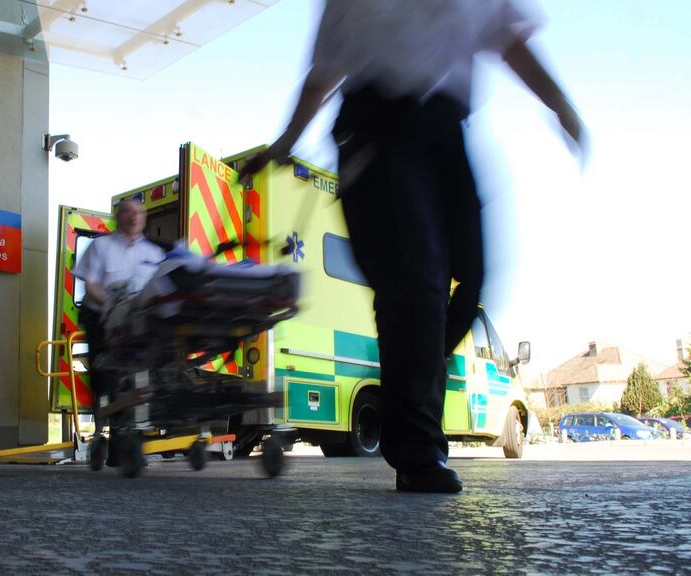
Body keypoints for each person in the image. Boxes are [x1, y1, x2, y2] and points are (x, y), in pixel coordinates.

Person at [239, 0, 585, 492]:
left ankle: (411, 367)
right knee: (415, 285)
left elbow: (510, 41)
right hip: (375, 130)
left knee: (473, 277)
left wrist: (559, 104)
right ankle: (417, 451)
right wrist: (284, 143)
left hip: (445, 131)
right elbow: (322, 77)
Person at [73, 199, 165, 465]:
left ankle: (129, 440)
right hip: (102, 319)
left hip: (138, 322)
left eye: (138, 213)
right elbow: (91, 286)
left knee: (140, 378)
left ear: (144, 218)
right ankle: (106, 434)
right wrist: (114, 307)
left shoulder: (153, 254)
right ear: (118, 217)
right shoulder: (101, 247)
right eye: (127, 212)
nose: (133, 217)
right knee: (107, 378)